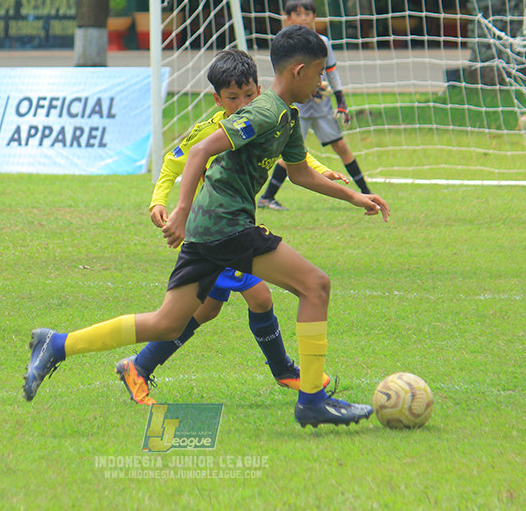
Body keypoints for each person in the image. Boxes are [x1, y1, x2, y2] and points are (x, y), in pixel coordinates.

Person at [24, 25, 390, 429]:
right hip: (225, 224)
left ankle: (56, 344)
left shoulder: (285, 115)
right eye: (320, 72)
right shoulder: (265, 111)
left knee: (168, 322)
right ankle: (311, 399)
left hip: (209, 227)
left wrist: (356, 196)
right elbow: (199, 149)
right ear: (300, 70)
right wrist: (178, 209)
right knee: (315, 285)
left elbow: (301, 173)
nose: (322, 81)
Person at [118, 49, 347, 405]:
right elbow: (173, 162)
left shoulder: (262, 117)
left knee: (207, 309)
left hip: (233, 226)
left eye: (248, 95)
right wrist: (159, 202)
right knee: (260, 296)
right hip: (216, 230)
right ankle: (285, 371)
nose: (242, 104)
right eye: (232, 98)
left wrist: (320, 169)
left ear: (259, 89)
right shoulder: (212, 130)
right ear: (217, 99)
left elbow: (286, 145)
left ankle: (140, 366)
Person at [258, 0, 370, 211]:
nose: (303, 18)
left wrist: (341, 102)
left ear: (315, 17)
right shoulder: (286, 44)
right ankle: (267, 197)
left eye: (307, 14)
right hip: (297, 107)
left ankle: (366, 193)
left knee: (340, 145)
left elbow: (332, 73)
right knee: (289, 151)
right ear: (287, 18)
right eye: (298, 14)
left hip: (321, 107)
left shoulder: (323, 43)